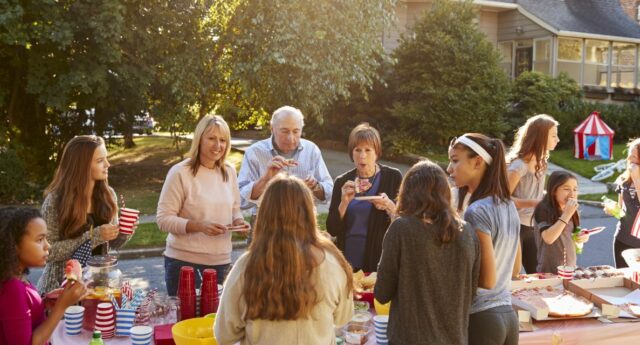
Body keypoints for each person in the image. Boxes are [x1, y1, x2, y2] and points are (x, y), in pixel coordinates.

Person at [215, 175, 353, 345]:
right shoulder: (333, 263)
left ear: (264, 214)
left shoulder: (246, 266)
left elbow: (225, 335)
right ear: (310, 212)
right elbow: (343, 318)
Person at [374, 160, 479, 345]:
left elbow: (382, 293)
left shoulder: (402, 229)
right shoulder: (468, 231)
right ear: (445, 193)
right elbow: (470, 294)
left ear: (407, 193)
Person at [156, 115, 249, 296]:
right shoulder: (180, 173)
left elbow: (234, 209)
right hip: (183, 263)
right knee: (186, 322)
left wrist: (239, 222)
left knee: (216, 323)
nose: (218, 145)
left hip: (221, 263)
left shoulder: (229, 171)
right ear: (199, 139)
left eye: (223, 140)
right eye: (211, 138)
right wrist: (199, 226)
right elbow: (163, 219)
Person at [448, 133, 521, 345]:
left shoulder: (477, 210)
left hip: (482, 318)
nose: (449, 169)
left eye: (455, 160)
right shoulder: (509, 206)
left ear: (478, 161)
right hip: (508, 317)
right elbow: (515, 269)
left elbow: (487, 280)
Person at [37, 135, 127, 295]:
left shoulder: (108, 195)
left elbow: (112, 245)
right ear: (82, 166)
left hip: (99, 288)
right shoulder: (55, 201)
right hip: (60, 290)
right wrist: (94, 236)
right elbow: (49, 252)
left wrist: (124, 231)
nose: (108, 164)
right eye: (100, 160)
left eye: (106, 158)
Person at [0, 207, 87, 345]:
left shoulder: (18, 279)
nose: (48, 246)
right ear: (14, 245)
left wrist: (43, 303)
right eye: (40, 239)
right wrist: (61, 307)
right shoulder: (12, 288)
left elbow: (23, 316)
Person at [237, 106, 333, 226]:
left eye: (296, 131)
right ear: (272, 129)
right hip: (266, 224)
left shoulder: (311, 150)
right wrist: (265, 179)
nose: (290, 138)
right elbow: (240, 200)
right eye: (285, 131)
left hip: (304, 223)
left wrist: (315, 186)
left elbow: (329, 192)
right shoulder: (254, 152)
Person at [326, 123, 402, 272]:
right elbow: (332, 229)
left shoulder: (392, 177)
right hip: (346, 257)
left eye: (368, 150)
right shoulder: (342, 182)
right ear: (351, 153)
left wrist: (389, 206)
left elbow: (404, 222)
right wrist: (344, 203)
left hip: (378, 258)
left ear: (377, 153)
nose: (362, 156)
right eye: (357, 150)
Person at [506, 114, 559, 273]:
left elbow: (532, 191)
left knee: (537, 273)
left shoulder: (542, 162)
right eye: (554, 136)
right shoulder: (518, 166)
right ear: (540, 137)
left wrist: (550, 197)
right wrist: (532, 203)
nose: (558, 140)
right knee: (513, 274)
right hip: (514, 226)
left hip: (533, 225)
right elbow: (502, 198)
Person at [533, 171, 588, 273]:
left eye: (575, 189)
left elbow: (571, 237)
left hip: (570, 268)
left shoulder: (572, 210)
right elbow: (548, 238)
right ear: (554, 190)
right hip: (548, 271)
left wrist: (581, 237)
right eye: (566, 189)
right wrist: (566, 215)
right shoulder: (543, 209)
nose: (572, 194)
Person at [607, 138, 640, 267]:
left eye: (634, 156)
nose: (629, 160)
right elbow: (621, 210)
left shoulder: (635, 177)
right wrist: (612, 209)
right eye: (629, 155)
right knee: (624, 282)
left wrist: (637, 178)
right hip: (622, 239)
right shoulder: (624, 179)